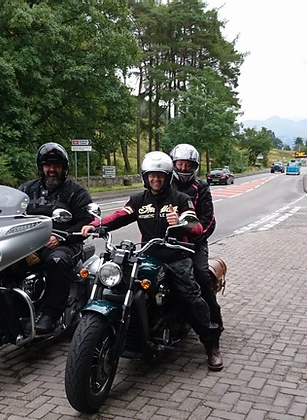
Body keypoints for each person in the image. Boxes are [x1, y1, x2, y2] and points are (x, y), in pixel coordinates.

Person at [81, 151, 223, 370]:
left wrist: (182, 221)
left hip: (176, 257)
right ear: (145, 177)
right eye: (151, 175)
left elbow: (196, 226)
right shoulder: (139, 200)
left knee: (191, 299)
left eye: (160, 175)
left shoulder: (181, 199)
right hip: (147, 256)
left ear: (167, 176)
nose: (155, 179)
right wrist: (96, 225)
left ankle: (211, 344)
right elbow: (120, 215)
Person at [19, 142, 93, 334]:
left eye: (56, 166)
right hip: (30, 244)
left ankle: (51, 314)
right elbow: (11, 212)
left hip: (64, 244)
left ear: (64, 168)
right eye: (48, 165)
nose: (52, 170)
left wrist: (62, 238)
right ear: (41, 167)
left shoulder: (76, 192)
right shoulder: (26, 190)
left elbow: (86, 221)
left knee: (57, 261)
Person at [169, 143, 223, 368]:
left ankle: (213, 331)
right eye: (180, 164)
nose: (183, 168)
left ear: (195, 166)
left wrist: (193, 237)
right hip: (168, 242)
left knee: (200, 275)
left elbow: (208, 220)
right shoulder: (165, 183)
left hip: (194, 243)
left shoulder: (201, 187)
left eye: (188, 165)